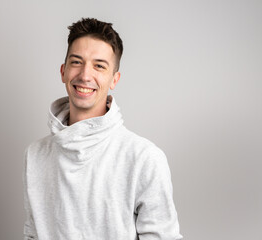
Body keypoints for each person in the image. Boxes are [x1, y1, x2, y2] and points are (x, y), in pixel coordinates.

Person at [23, 18, 183, 240]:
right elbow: (33, 234)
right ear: (63, 71)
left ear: (114, 79)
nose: (85, 75)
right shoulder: (36, 155)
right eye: (77, 62)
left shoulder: (144, 158)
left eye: (99, 65)